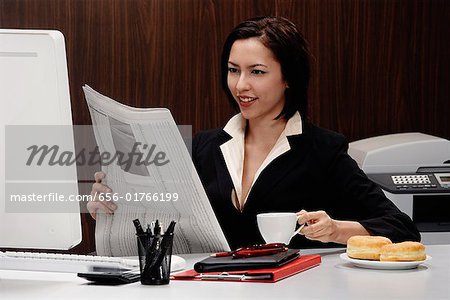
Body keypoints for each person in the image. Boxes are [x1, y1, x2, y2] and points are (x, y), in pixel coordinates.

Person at [89, 16, 420, 250]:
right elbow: (161, 224)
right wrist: (113, 202)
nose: (240, 85)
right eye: (233, 70)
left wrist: (336, 230)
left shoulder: (323, 150)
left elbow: (402, 228)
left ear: (288, 77)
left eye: (257, 72)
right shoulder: (201, 148)